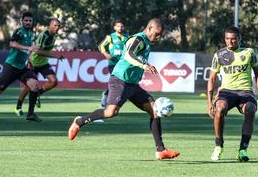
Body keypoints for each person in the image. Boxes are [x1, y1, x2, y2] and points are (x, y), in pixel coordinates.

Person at [68, 18, 180, 160]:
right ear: (149, 28)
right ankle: (79, 121)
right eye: (157, 34)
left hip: (133, 84)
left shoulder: (147, 42)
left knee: (155, 111)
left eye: (160, 35)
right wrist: (144, 65)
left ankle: (160, 150)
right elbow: (128, 54)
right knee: (110, 112)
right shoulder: (138, 39)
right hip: (120, 80)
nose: (157, 38)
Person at [207, 26, 258, 162]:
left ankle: (242, 149)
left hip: (245, 92)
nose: (230, 42)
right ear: (225, 39)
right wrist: (209, 102)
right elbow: (212, 78)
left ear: (239, 39)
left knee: (251, 109)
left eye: (233, 39)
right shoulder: (219, 55)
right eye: (227, 39)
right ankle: (218, 145)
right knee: (220, 108)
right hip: (226, 91)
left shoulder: (249, 53)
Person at [14, 18, 64, 116]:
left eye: (58, 26)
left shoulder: (54, 35)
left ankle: (38, 94)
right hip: (34, 62)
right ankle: (18, 107)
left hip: (43, 63)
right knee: (28, 87)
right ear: (50, 26)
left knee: (54, 81)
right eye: (55, 25)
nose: (57, 27)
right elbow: (38, 51)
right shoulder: (44, 35)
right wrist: (55, 56)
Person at [98, 20, 129, 108]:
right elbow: (101, 46)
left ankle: (110, 96)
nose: (120, 28)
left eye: (122, 26)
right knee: (116, 80)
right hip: (113, 63)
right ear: (115, 27)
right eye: (118, 26)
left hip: (123, 64)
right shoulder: (110, 37)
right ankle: (106, 98)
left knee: (121, 82)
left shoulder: (127, 37)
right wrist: (106, 54)